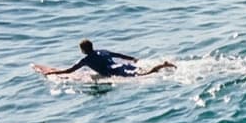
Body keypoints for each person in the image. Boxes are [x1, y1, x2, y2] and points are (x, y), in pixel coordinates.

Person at [35, 39, 174, 79]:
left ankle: (161, 66)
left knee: (144, 75)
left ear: (83, 50)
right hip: (122, 66)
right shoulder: (103, 51)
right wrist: (132, 58)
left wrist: (52, 73)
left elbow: (70, 70)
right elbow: (119, 55)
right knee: (139, 71)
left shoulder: (86, 60)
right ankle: (159, 66)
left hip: (114, 72)